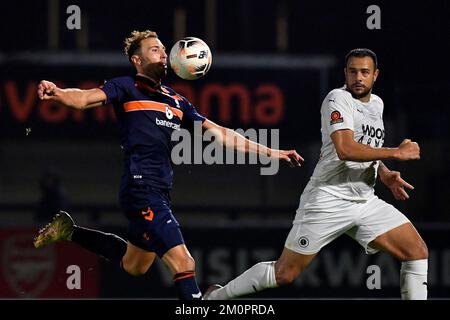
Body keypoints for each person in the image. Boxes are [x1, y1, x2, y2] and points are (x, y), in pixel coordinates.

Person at [33, 30, 303, 300]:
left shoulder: (177, 101)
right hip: (141, 189)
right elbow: (84, 98)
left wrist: (273, 152)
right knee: (184, 264)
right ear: (137, 60)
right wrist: (57, 92)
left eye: (163, 48)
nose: (163, 53)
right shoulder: (125, 87)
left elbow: (222, 134)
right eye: (154, 50)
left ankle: (70, 231)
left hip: (159, 192)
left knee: (135, 265)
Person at [203, 48, 428, 300]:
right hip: (327, 198)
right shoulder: (337, 99)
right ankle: (215, 298)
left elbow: (367, 146)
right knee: (284, 274)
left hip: (364, 200)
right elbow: (345, 149)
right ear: (345, 73)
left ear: (375, 75)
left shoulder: (377, 104)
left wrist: (384, 173)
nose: (358, 77)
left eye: (365, 72)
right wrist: (395, 152)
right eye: (353, 71)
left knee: (416, 251)